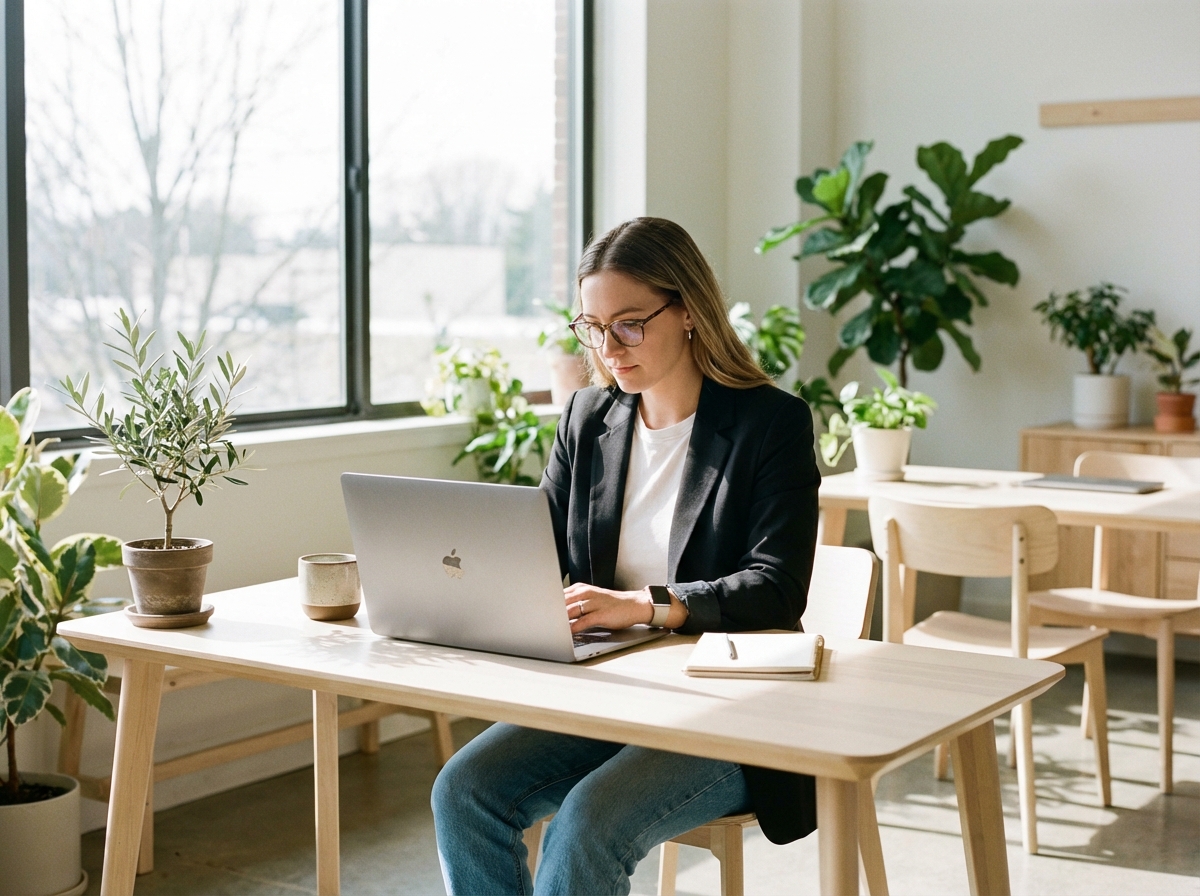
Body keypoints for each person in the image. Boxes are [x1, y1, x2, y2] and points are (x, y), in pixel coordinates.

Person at [431, 216, 821, 895]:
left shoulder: (770, 425)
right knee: (463, 791)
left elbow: (776, 587)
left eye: (629, 324)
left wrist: (645, 606)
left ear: (690, 311)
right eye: (591, 327)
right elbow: (537, 549)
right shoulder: (588, 418)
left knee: (588, 821)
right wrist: (455, 578)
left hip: (727, 709)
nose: (608, 347)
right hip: (610, 693)